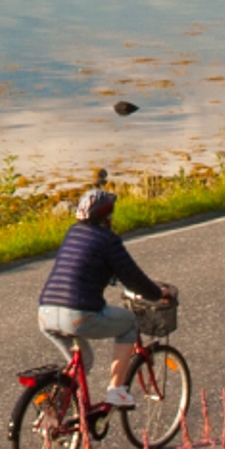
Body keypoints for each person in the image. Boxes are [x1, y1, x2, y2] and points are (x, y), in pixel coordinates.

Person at [36, 169, 173, 407]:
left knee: (82, 363)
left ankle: (56, 411)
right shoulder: (108, 240)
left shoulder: (72, 233)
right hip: (77, 315)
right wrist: (157, 294)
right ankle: (117, 390)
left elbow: (83, 266)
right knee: (129, 322)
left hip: (46, 314)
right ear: (107, 217)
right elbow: (133, 277)